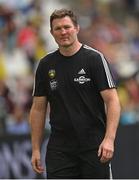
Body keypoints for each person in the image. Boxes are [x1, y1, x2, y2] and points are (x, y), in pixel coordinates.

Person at [29, 8, 121, 179]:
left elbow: (113, 101)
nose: (63, 32)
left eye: (67, 27)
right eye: (58, 28)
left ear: (77, 28)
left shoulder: (94, 59)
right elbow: (38, 109)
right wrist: (35, 148)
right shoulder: (45, 65)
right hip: (60, 150)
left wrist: (109, 139)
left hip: (94, 146)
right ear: (51, 32)